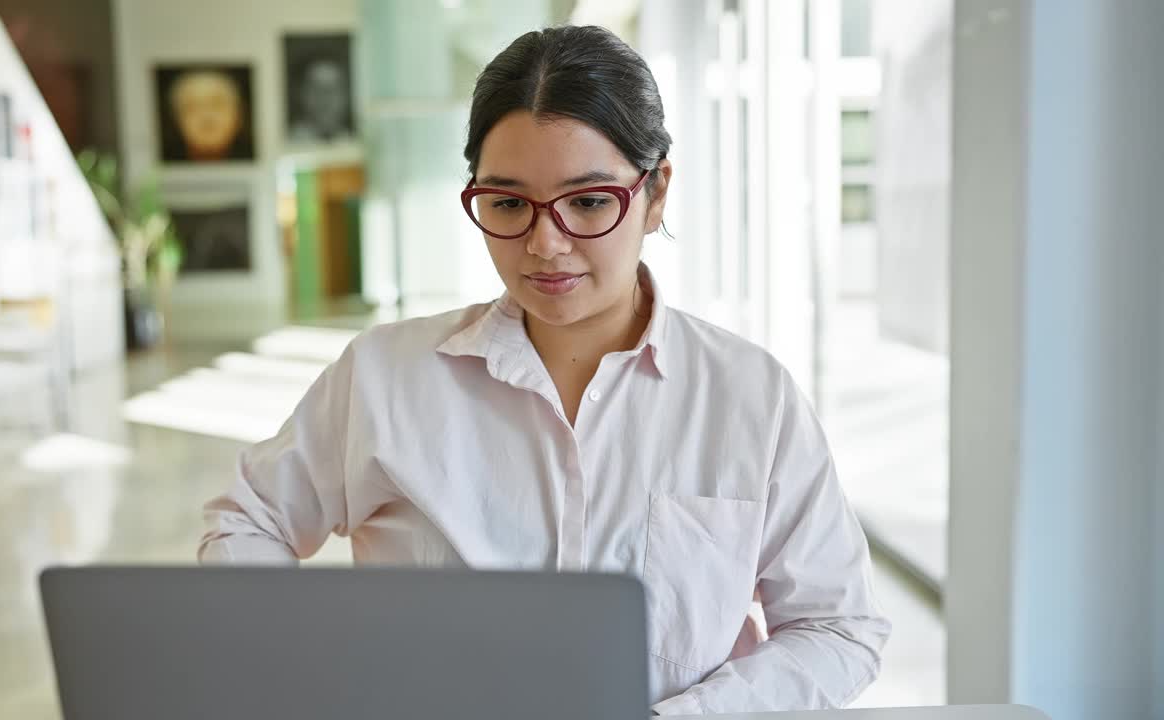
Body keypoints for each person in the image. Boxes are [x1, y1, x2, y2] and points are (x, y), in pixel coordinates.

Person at [200, 25, 890, 715]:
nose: (545, 244)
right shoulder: (385, 378)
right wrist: (322, 668)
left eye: (588, 202)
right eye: (507, 204)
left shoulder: (749, 397)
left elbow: (838, 627)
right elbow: (246, 523)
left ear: (656, 195)